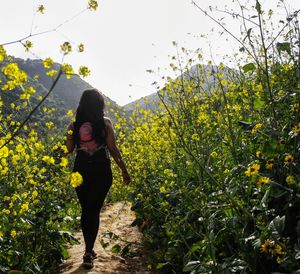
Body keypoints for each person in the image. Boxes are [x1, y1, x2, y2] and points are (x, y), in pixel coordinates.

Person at [65, 89, 130, 269]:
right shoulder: (105, 123)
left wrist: (70, 135)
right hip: (101, 170)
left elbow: (69, 149)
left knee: (86, 209)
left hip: (80, 170)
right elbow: (113, 149)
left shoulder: (73, 125)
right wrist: (124, 171)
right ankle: (88, 251)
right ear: (99, 105)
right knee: (93, 209)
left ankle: (88, 250)